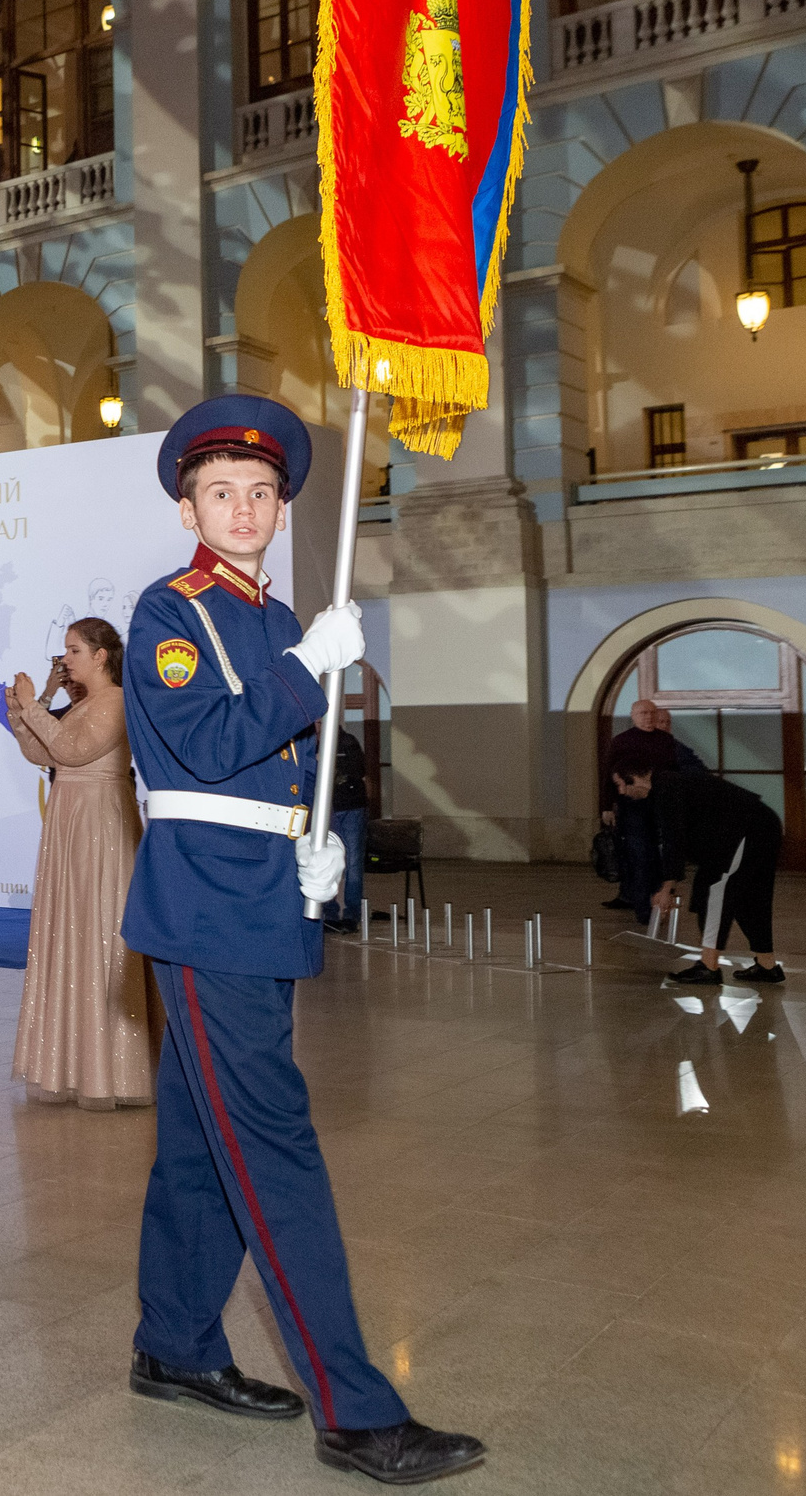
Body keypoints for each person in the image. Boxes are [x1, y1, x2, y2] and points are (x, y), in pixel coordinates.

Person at [119, 395, 482, 1482]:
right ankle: (357, 1410)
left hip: (263, 898)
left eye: (262, 492)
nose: (243, 507)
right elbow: (198, 753)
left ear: (281, 510)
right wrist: (303, 672)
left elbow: (286, 774)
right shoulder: (165, 613)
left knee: (197, 1147)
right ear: (189, 501)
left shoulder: (283, 621)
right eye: (221, 490)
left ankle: (174, 1344)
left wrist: (315, 848)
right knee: (273, 1147)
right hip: (202, 911)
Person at [7, 617, 153, 1108]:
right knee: (72, 932)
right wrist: (25, 711)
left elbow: (73, 749)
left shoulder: (115, 701)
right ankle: (72, 1064)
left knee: (99, 930)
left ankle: (113, 1070)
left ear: (100, 656)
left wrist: (33, 704)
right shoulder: (85, 703)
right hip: (72, 816)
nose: (64, 659)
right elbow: (40, 752)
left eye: (73, 650)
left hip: (99, 820)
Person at [616, 765, 784, 984]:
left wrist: (667, 888)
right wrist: (667, 884)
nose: (620, 791)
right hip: (755, 827)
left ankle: (708, 966)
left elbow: (673, 839)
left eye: (619, 784)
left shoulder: (666, 786)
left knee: (714, 891)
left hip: (746, 829)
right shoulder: (666, 784)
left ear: (635, 778)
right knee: (749, 898)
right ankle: (767, 965)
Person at [601, 699, 706, 921]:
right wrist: (606, 806)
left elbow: (674, 771)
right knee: (640, 857)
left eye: (651, 713)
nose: (648, 717)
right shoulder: (621, 741)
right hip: (633, 807)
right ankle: (644, 910)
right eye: (643, 713)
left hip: (661, 804)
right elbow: (607, 775)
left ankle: (660, 902)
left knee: (661, 857)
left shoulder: (665, 740)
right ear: (633, 716)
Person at [327, 729, 368, 934]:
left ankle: (351, 915)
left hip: (351, 807)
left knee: (352, 862)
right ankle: (329, 913)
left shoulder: (347, 742)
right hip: (327, 809)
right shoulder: (310, 741)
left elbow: (359, 770)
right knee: (326, 860)